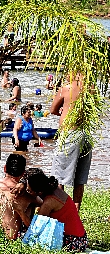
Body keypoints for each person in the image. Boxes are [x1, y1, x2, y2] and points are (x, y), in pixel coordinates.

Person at [50, 74, 91, 211]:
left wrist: (63, 110)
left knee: (60, 177)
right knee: (80, 178)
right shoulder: (91, 89)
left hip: (69, 134)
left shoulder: (67, 88)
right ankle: (76, 213)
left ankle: (61, 211)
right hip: (85, 134)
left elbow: (53, 110)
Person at [24, 168, 88, 252]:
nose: (26, 191)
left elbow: (35, 230)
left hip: (74, 242)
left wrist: (20, 211)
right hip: (82, 238)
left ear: (39, 192)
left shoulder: (49, 203)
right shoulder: (54, 188)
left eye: (29, 191)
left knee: (22, 235)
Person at [0, 154, 42, 240]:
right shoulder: (26, 194)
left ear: (4, 168)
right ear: (23, 173)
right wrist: (24, 182)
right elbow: (43, 202)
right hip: (14, 237)